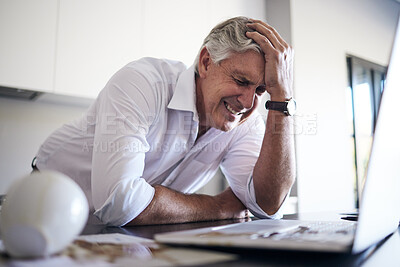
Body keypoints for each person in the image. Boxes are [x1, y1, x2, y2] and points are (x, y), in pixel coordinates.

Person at [33, 16, 296, 226]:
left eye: (261, 91)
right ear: (206, 62)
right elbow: (119, 201)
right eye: (241, 81)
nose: (249, 102)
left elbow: (268, 206)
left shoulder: (244, 121)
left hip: (122, 234)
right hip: (41, 207)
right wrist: (221, 206)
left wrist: (282, 98)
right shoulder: (143, 83)